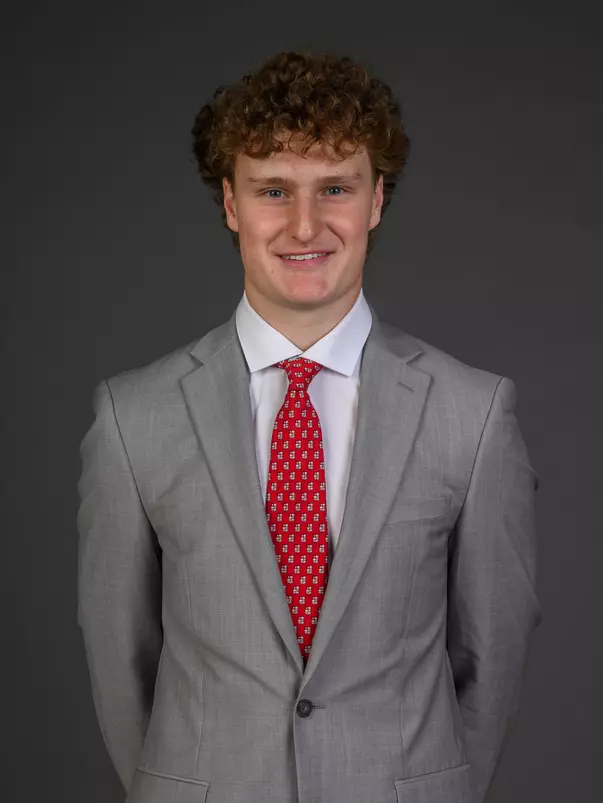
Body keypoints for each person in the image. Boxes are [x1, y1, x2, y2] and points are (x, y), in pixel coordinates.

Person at [76, 49, 542, 803]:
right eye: (271, 190)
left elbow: (491, 651)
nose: (304, 224)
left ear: (375, 199)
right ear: (230, 203)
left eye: (334, 187)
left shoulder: (474, 412)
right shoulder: (134, 415)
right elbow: (118, 652)